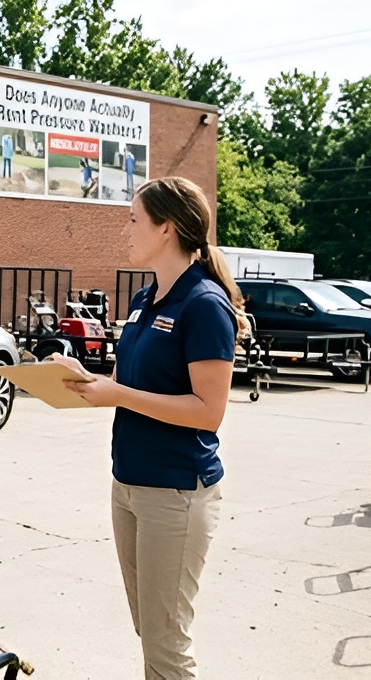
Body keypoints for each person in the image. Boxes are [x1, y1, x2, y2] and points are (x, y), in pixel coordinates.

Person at [55, 177, 249, 679]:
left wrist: (118, 395)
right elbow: (130, 383)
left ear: (166, 228)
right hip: (129, 484)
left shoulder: (204, 304)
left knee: (166, 644)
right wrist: (83, 381)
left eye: (134, 219)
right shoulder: (146, 298)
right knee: (152, 631)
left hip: (176, 491)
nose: (126, 230)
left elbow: (208, 411)